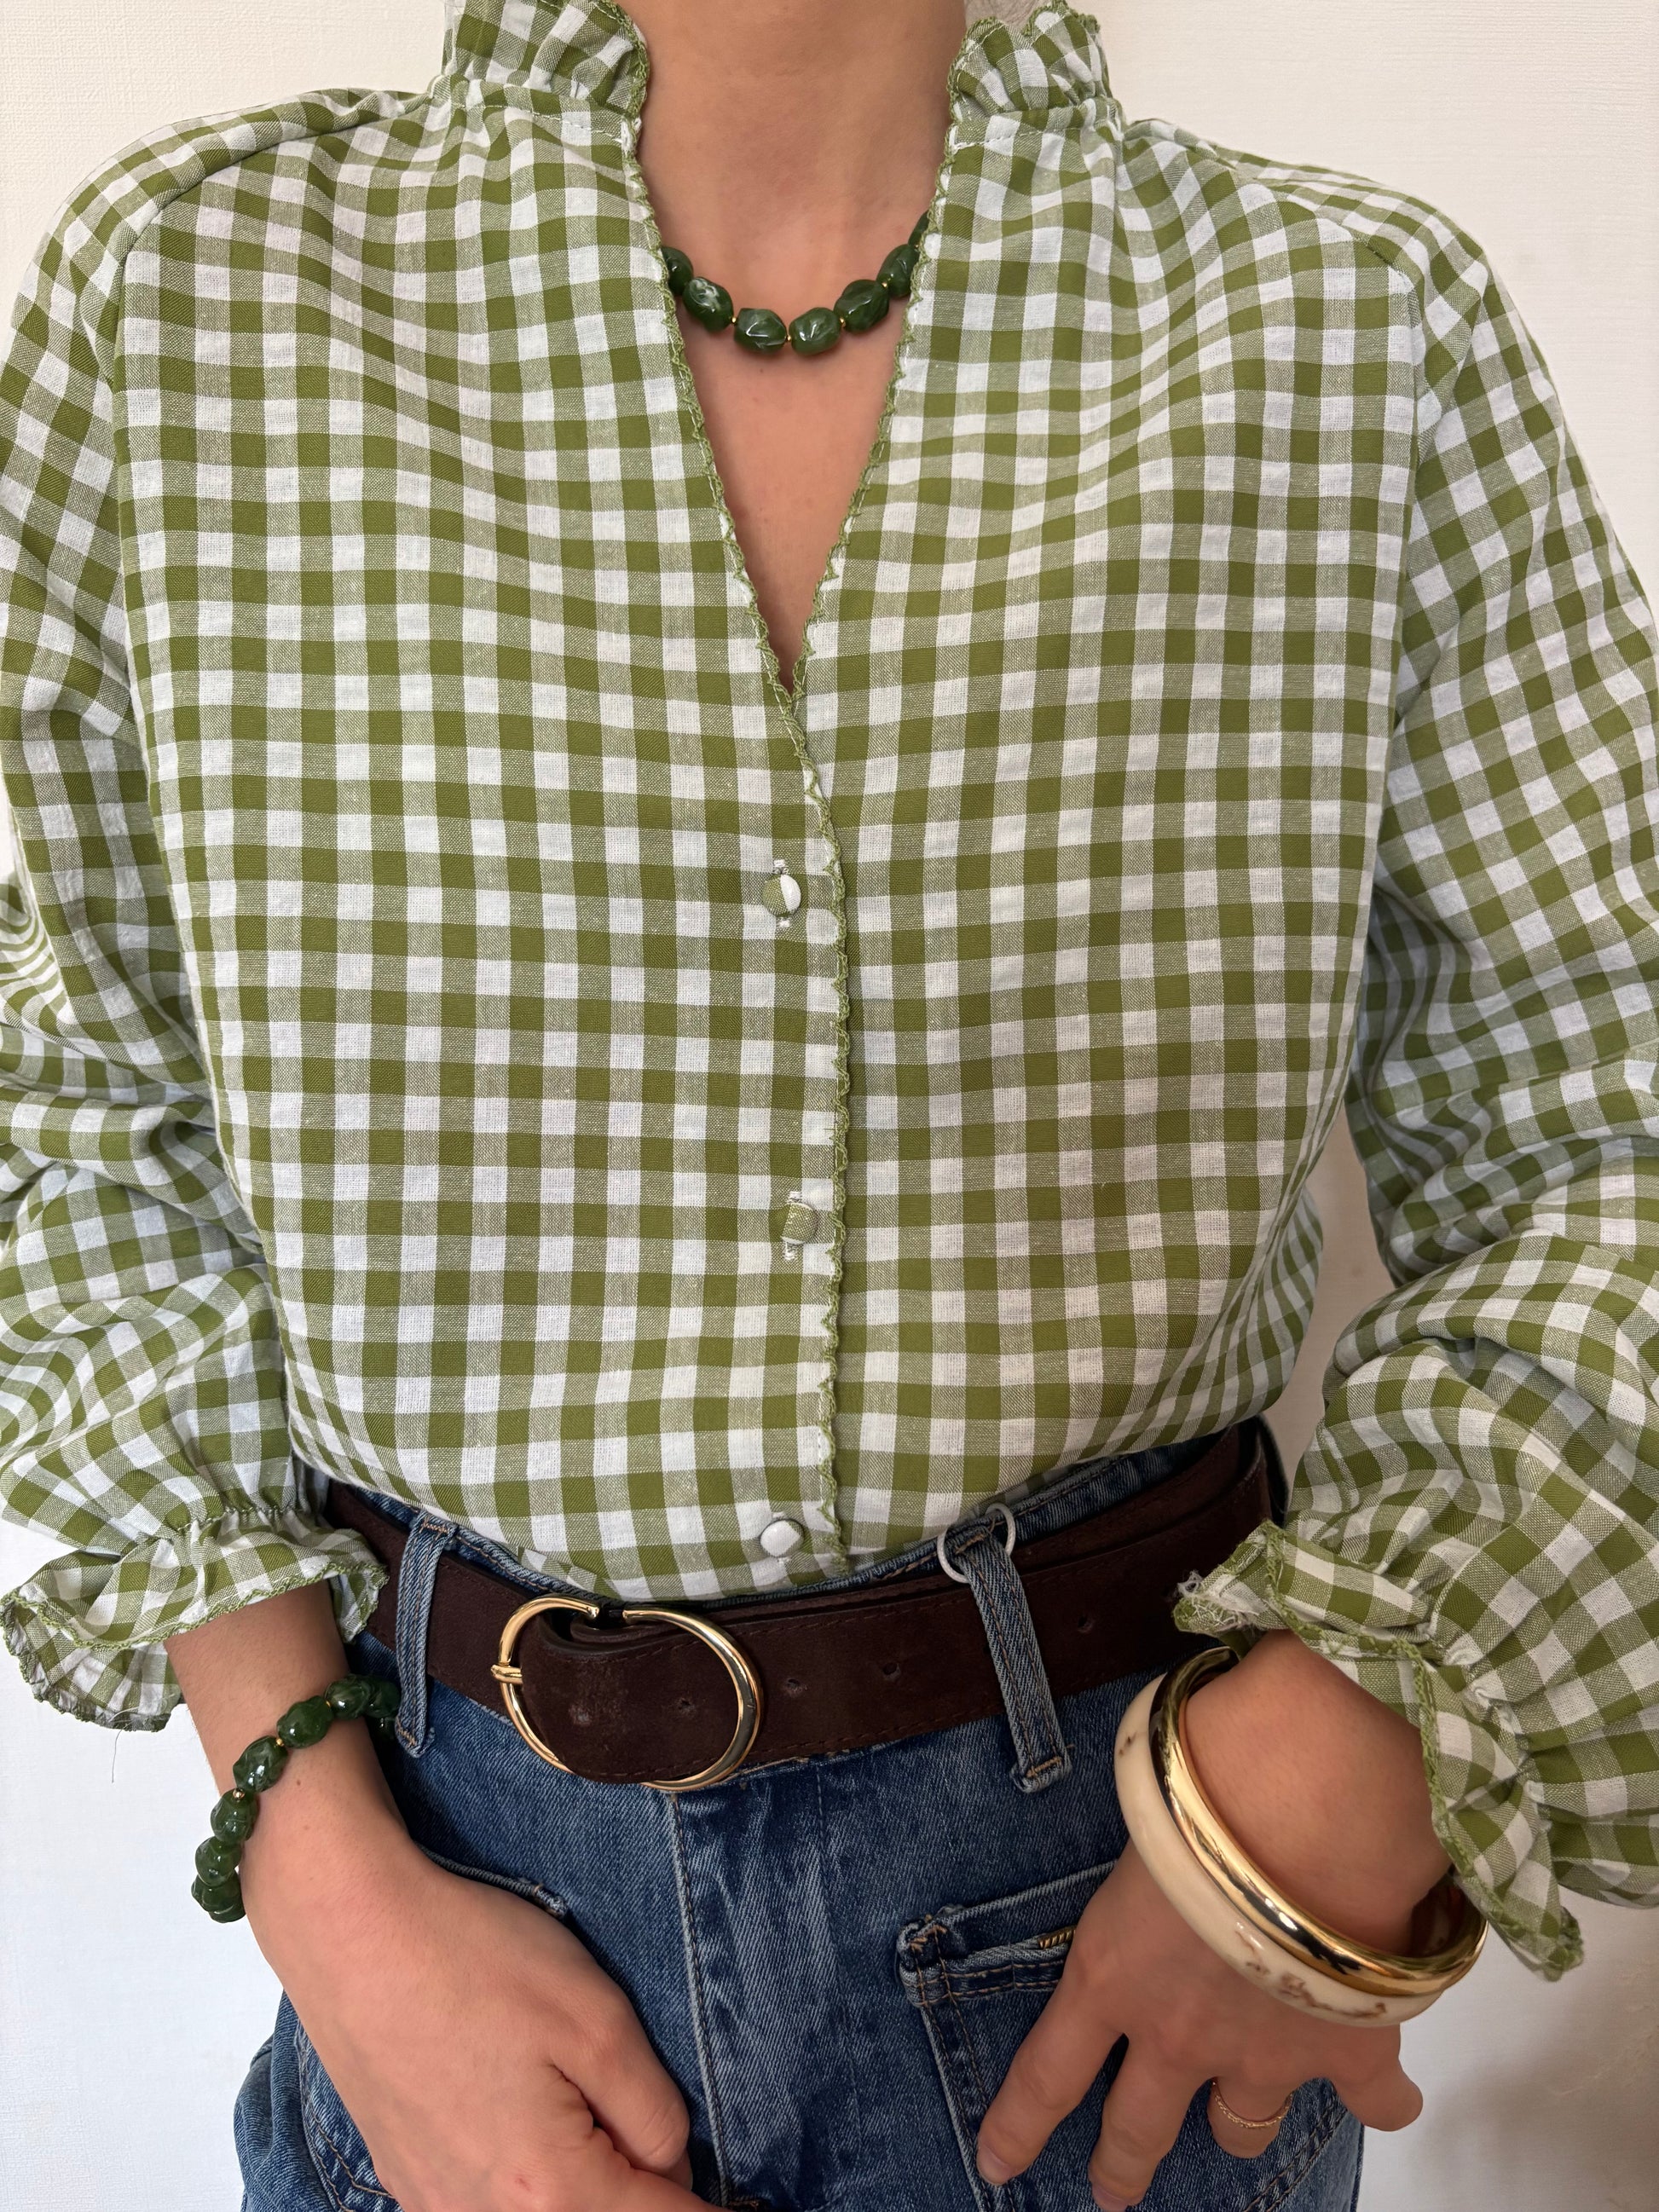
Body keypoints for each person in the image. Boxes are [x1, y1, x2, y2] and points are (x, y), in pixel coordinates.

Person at [2, 0, 1656, 2206]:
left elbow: (1610, 1113)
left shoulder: (1350, 325)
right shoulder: (191, 298)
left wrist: (1346, 1749)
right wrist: (315, 1860)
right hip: (433, 1903)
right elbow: (70, 1103)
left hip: (1129, 1913)